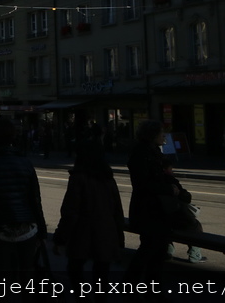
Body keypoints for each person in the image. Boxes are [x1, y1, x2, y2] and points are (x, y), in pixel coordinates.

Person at [52, 141, 124, 300]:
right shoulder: (108, 178)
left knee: (75, 269)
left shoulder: (78, 178)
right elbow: (117, 210)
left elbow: (70, 211)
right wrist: (119, 238)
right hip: (105, 232)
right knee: (101, 274)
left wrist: (60, 238)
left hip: (81, 233)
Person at [0, 117, 48, 280]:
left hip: (0, 230)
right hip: (27, 229)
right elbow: (35, 199)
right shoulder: (26, 163)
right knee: (27, 276)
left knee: (3, 277)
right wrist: (42, 231)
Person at [123, 120, 177, 285]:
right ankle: (132, 284)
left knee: (158, 251)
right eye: (161, 133)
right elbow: (144, 183)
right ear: (152, 135)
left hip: (157, 209)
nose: (164, 136)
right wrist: (170, 189)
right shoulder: (142, 154)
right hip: (148, 209)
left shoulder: (153, 152)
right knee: (149, 249)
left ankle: (152, 287)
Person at [162, 158, 206, 264]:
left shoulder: (150, 180)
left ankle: (168, 252)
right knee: (195, 226)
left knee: (165, 225)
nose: (172, 171)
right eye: (170, 169)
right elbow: (185, 197)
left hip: (159, 218)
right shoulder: (169, 180)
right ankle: (195, 255)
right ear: (165, 169)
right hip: (174, 218)